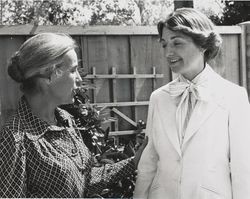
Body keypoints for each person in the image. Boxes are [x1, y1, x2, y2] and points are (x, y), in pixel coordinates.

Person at [0, 33, 147, 198]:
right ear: (49, 76)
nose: (79, 79)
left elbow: (85, 179)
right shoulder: (15, 137)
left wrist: (134, 162)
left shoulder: (65, 120)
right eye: (73, 70)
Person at [134, 8, 250, 199]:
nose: (168, 53)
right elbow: (149, 162)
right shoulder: (158, 98)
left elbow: (243, 169)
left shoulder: (233, 97)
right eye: (164, 45)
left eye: (177, 43)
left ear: (203, 44)